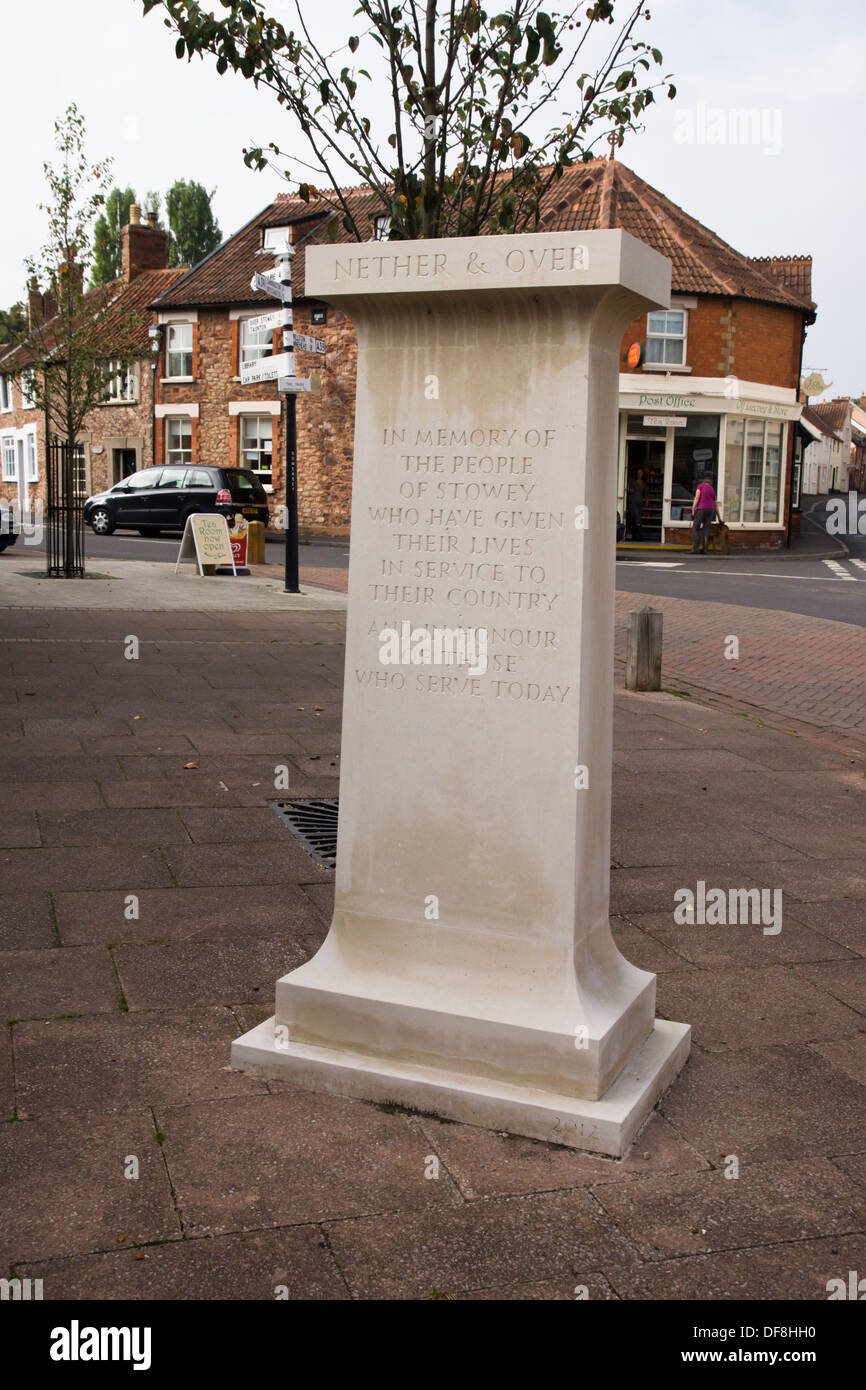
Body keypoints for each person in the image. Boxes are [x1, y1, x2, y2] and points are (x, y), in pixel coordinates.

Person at [691, 472, 720, 554]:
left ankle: (695, 549)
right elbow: (716, 505)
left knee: (695, 527)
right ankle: (705, 549)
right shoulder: (712, 489)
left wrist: (693, 509)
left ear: (703, 481)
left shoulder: (700, 486)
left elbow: (696, 498)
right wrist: (719, 518)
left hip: (701, 509)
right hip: (710, 510)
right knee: (706, 528)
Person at [627, 467, 647, 541]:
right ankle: (640, 536)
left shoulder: (644, 483)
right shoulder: (632, 481)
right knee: (636, 518)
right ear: (636, 473)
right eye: (638, 472)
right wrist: (630, 490)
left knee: (636, 518)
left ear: (643, 474)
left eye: (641, 473)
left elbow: (645, 493)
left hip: (640, 503)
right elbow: (629, 489)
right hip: (633, 502)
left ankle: (634, 536)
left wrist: (646, 500)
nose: (639, 474)